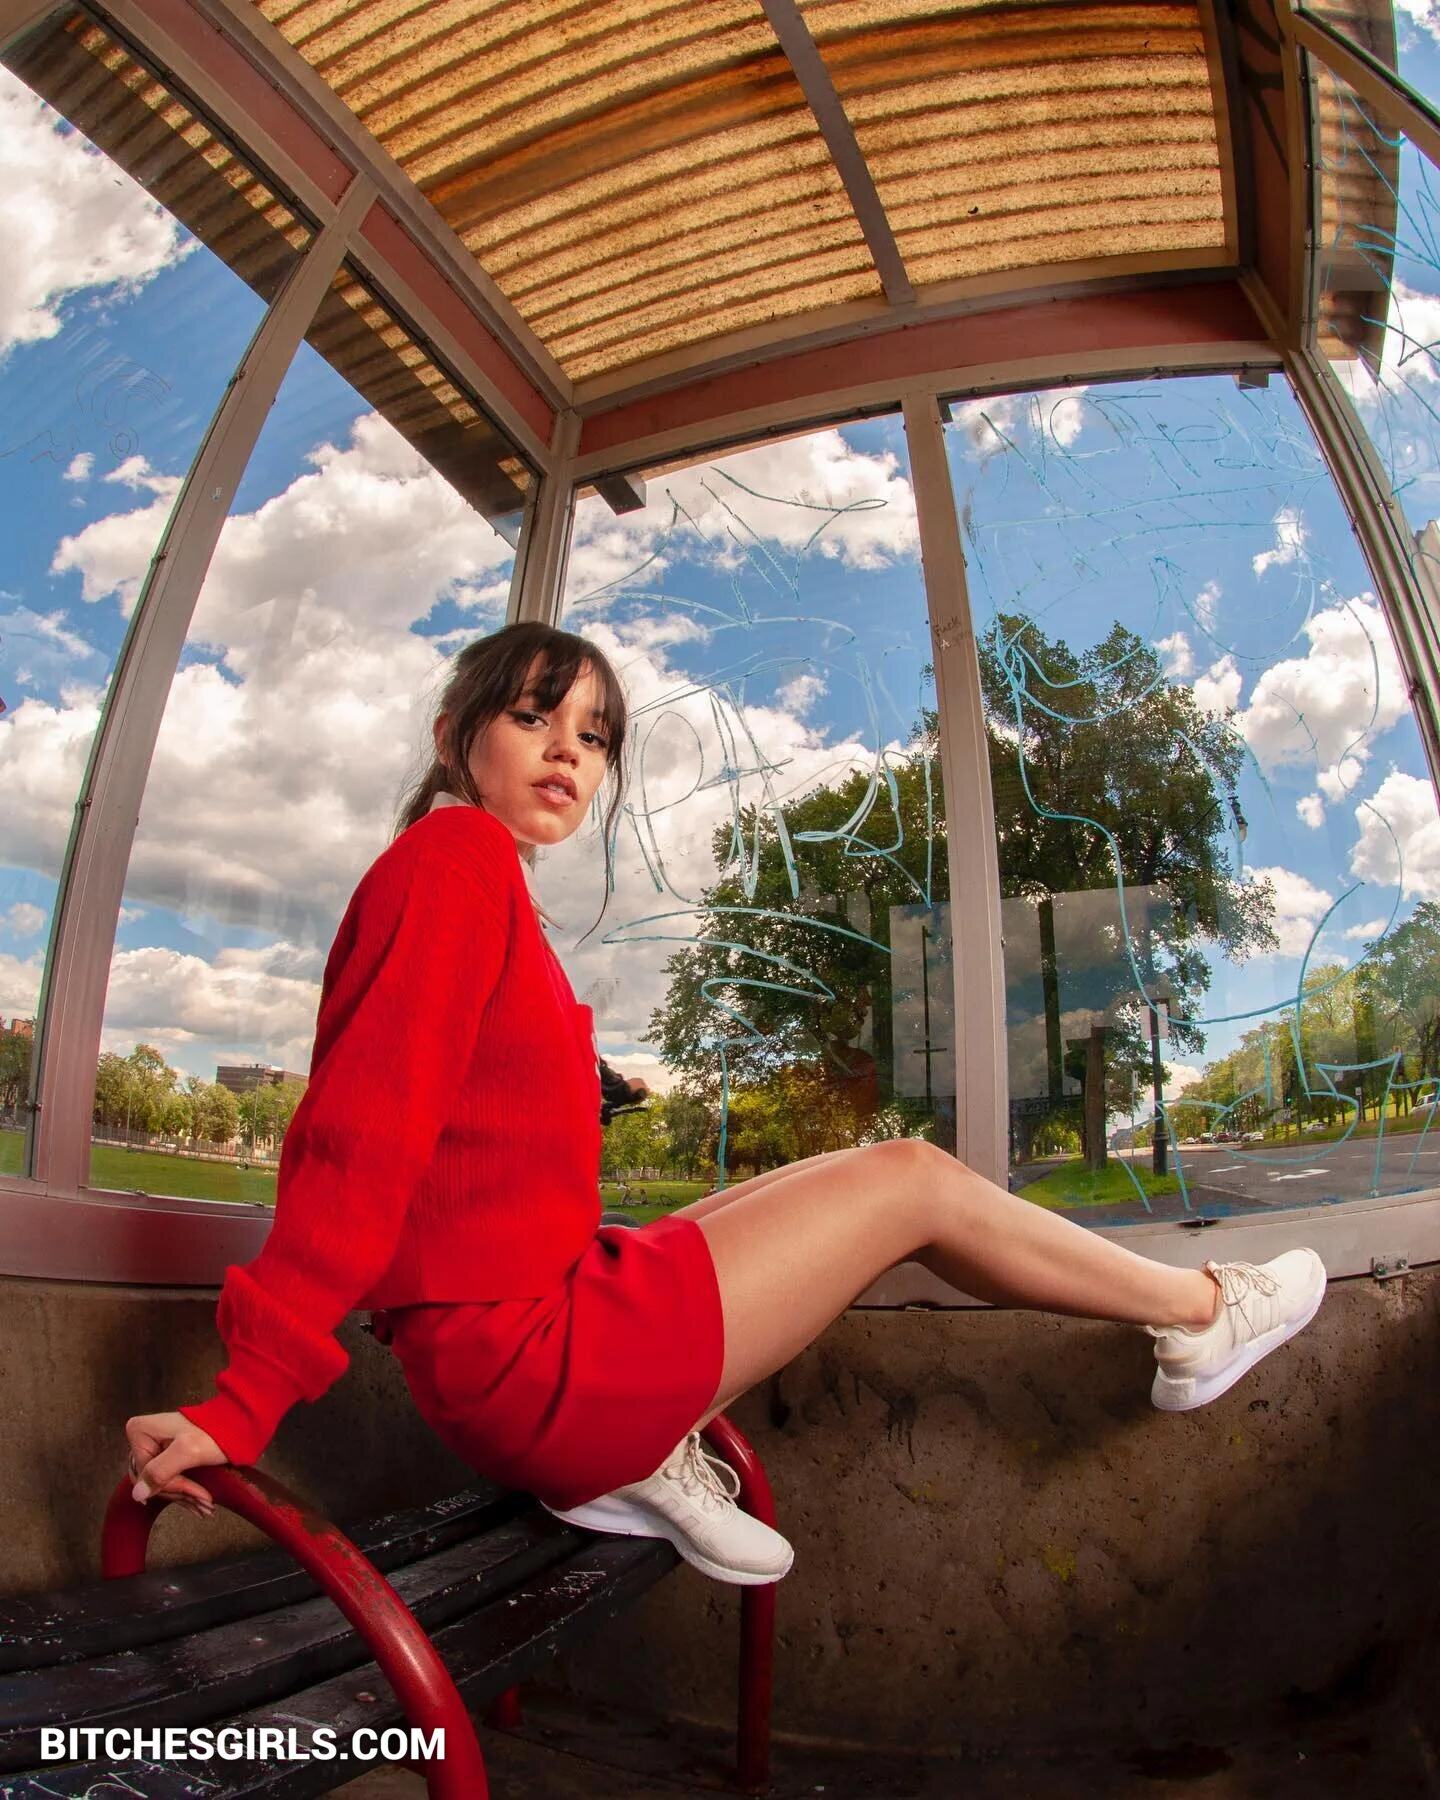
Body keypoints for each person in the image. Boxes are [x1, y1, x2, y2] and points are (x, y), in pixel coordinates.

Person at [125, 621, 1328, 1588]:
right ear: (455, 737)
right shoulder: (454, 864)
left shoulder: (483, 890)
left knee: (807, 1190)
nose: (566, 753)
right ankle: (1199, 1314)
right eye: (533, 717)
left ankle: (641, 1457)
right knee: (910, 1177)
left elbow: (471, 1131)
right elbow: (358, 1140)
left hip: (527, 1331)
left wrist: (584, 1082)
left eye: (594, 737)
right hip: (528, 1366)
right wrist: (248, 1396)